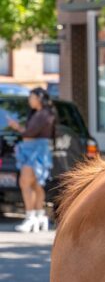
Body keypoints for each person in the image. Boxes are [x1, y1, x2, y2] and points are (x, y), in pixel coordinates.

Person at [6, 87, 56, 232]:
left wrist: (16, 127)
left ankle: (31, 217)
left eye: (31, 97)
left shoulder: (44, 114)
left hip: (36, 151)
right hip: (33, 149)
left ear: (39, 98)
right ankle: (39, 216)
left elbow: (29, 133)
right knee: (35, 184)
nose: (30, 100)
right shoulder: (40, 114)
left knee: (25, 182)